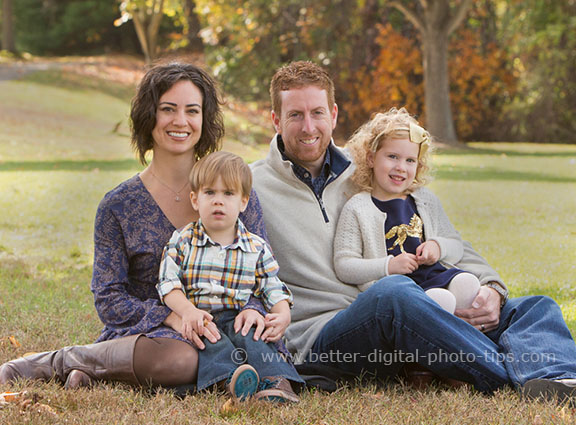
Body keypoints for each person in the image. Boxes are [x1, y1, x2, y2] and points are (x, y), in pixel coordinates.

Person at [250, 60, 576, 403]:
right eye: (295, 115)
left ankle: (558, 379)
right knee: (394, 293)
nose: (308, 126)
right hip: (325, 337)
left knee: (532, 307)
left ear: (333, 114)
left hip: (406, 312)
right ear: (275, 120)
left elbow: (442, 237)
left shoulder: (371, 169)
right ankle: (510, 381)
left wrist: (492, 288)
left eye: (317, 113)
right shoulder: (251, 185)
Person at [0, 62, 271, 392]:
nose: (180, 121)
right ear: (148, 116)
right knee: (182, 359)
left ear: (205, 118)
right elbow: (109, 297)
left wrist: (255, 311)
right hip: (151, 337)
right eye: (167, 109)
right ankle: (63, 360)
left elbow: (263, 271)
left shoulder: (235, 193)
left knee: (238, 356)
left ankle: (99, 373)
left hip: (223, 333)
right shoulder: (118, 206)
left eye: (192, 110)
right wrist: (174, 317)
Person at [157, 151, 302, 402]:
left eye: (228, 194)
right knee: (210, 341)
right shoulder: (182, 240)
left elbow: (272, 287)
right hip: (200, 316)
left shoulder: (256, 247)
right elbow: (168, 284)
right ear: (195, 199)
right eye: (210, 193)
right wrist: (188, 312)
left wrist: (282, 313)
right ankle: (232, 380)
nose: (218, 201)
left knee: (255, 338)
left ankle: (278, 382)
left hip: (237, 316)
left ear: (243, 202)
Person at [333, 108, 480, 314]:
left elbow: (455, 244)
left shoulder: (424, 200)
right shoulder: (358, 207)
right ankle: (445, 332)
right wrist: (388, 266)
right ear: (371, 159)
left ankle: (457, 329)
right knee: (441, 299)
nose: (401, 167)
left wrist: (437, 247)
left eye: (410, 160)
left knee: (468, 283)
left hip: (433, 276)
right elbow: (344, 266)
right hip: (399, 289)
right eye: (392, 156)